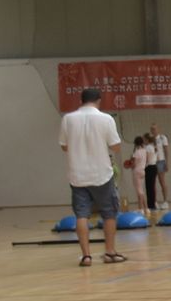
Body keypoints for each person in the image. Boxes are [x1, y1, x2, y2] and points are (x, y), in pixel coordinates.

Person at [60, 87, 123, 266]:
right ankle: (110, 252)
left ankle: (86, 256)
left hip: (77, 174)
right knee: (109, 214)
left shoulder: (68, 119)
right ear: (99, 100)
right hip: (101, 174)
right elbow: (116, 146)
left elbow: (64, 146)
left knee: (81, 215)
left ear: (81, 101)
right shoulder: (106, 119)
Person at [147, 124, 171, 210]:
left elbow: (166, 150)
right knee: (152, 182)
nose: (153, 131)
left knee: (162, 181)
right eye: (151, 129)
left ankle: (165, 201)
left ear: (158, 129)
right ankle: (154, 201)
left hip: (161, 161)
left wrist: (167, 162)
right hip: (152, 162)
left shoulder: (162, 138)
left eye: (154, 129)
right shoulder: (149, 139)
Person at [131, 135, 154, 213]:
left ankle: (140, 208)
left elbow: (133, 164)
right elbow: (147, 160)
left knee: (139, 191)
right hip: (143, 171)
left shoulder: (136, 152)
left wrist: (130, 163)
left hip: (136, 171)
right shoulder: (144, 151)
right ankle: (146, 208)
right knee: (141, 190)